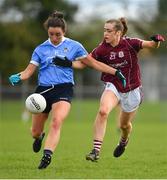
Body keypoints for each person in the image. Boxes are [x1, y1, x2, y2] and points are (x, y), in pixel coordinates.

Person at [8, 11, 126, 169]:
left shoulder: (74, 46)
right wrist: (18, 76)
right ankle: (39, 136)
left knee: (57, 122)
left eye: (58, 34)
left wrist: (115, 71)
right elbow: (29, 71)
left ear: (64, 32)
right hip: (42, 92)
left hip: (64, 89)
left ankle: (47, 155)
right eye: (51, 34)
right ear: (47, 32)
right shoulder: (40, 49)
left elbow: (93, 63)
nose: (54, 37)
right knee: (35, 131)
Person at [54, 17, 165, 162]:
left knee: (124, 125)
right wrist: (68, 63)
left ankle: (124, 141)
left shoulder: (131, 43)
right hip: (113, 85)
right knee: (103, 111)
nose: (105, 34)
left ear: (118, 32)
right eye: (104, 30)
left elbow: (151, 45)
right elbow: (85, 63)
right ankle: (95, 151)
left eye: (109, 31)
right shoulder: (101, 49)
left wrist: (156, 40)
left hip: (132, 89)